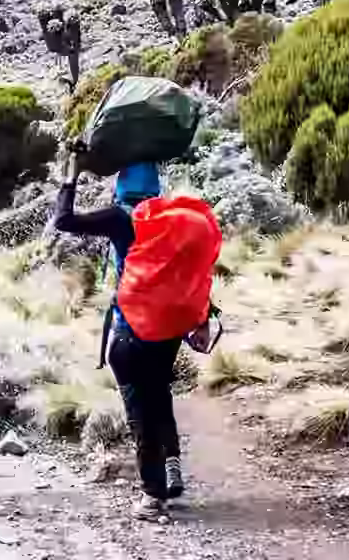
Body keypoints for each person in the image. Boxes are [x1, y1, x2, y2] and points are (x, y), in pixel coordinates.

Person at [53, 149, 222, 509]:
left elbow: (63, 221)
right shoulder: (176, 220)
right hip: (171, 327)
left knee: (138, 409)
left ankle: (152, 493)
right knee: (159, 392)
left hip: (130, 327)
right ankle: (172, 462)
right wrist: (204, 316)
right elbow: (195, 271)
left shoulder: (119, 217)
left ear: (121, 185)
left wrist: (71, 175)